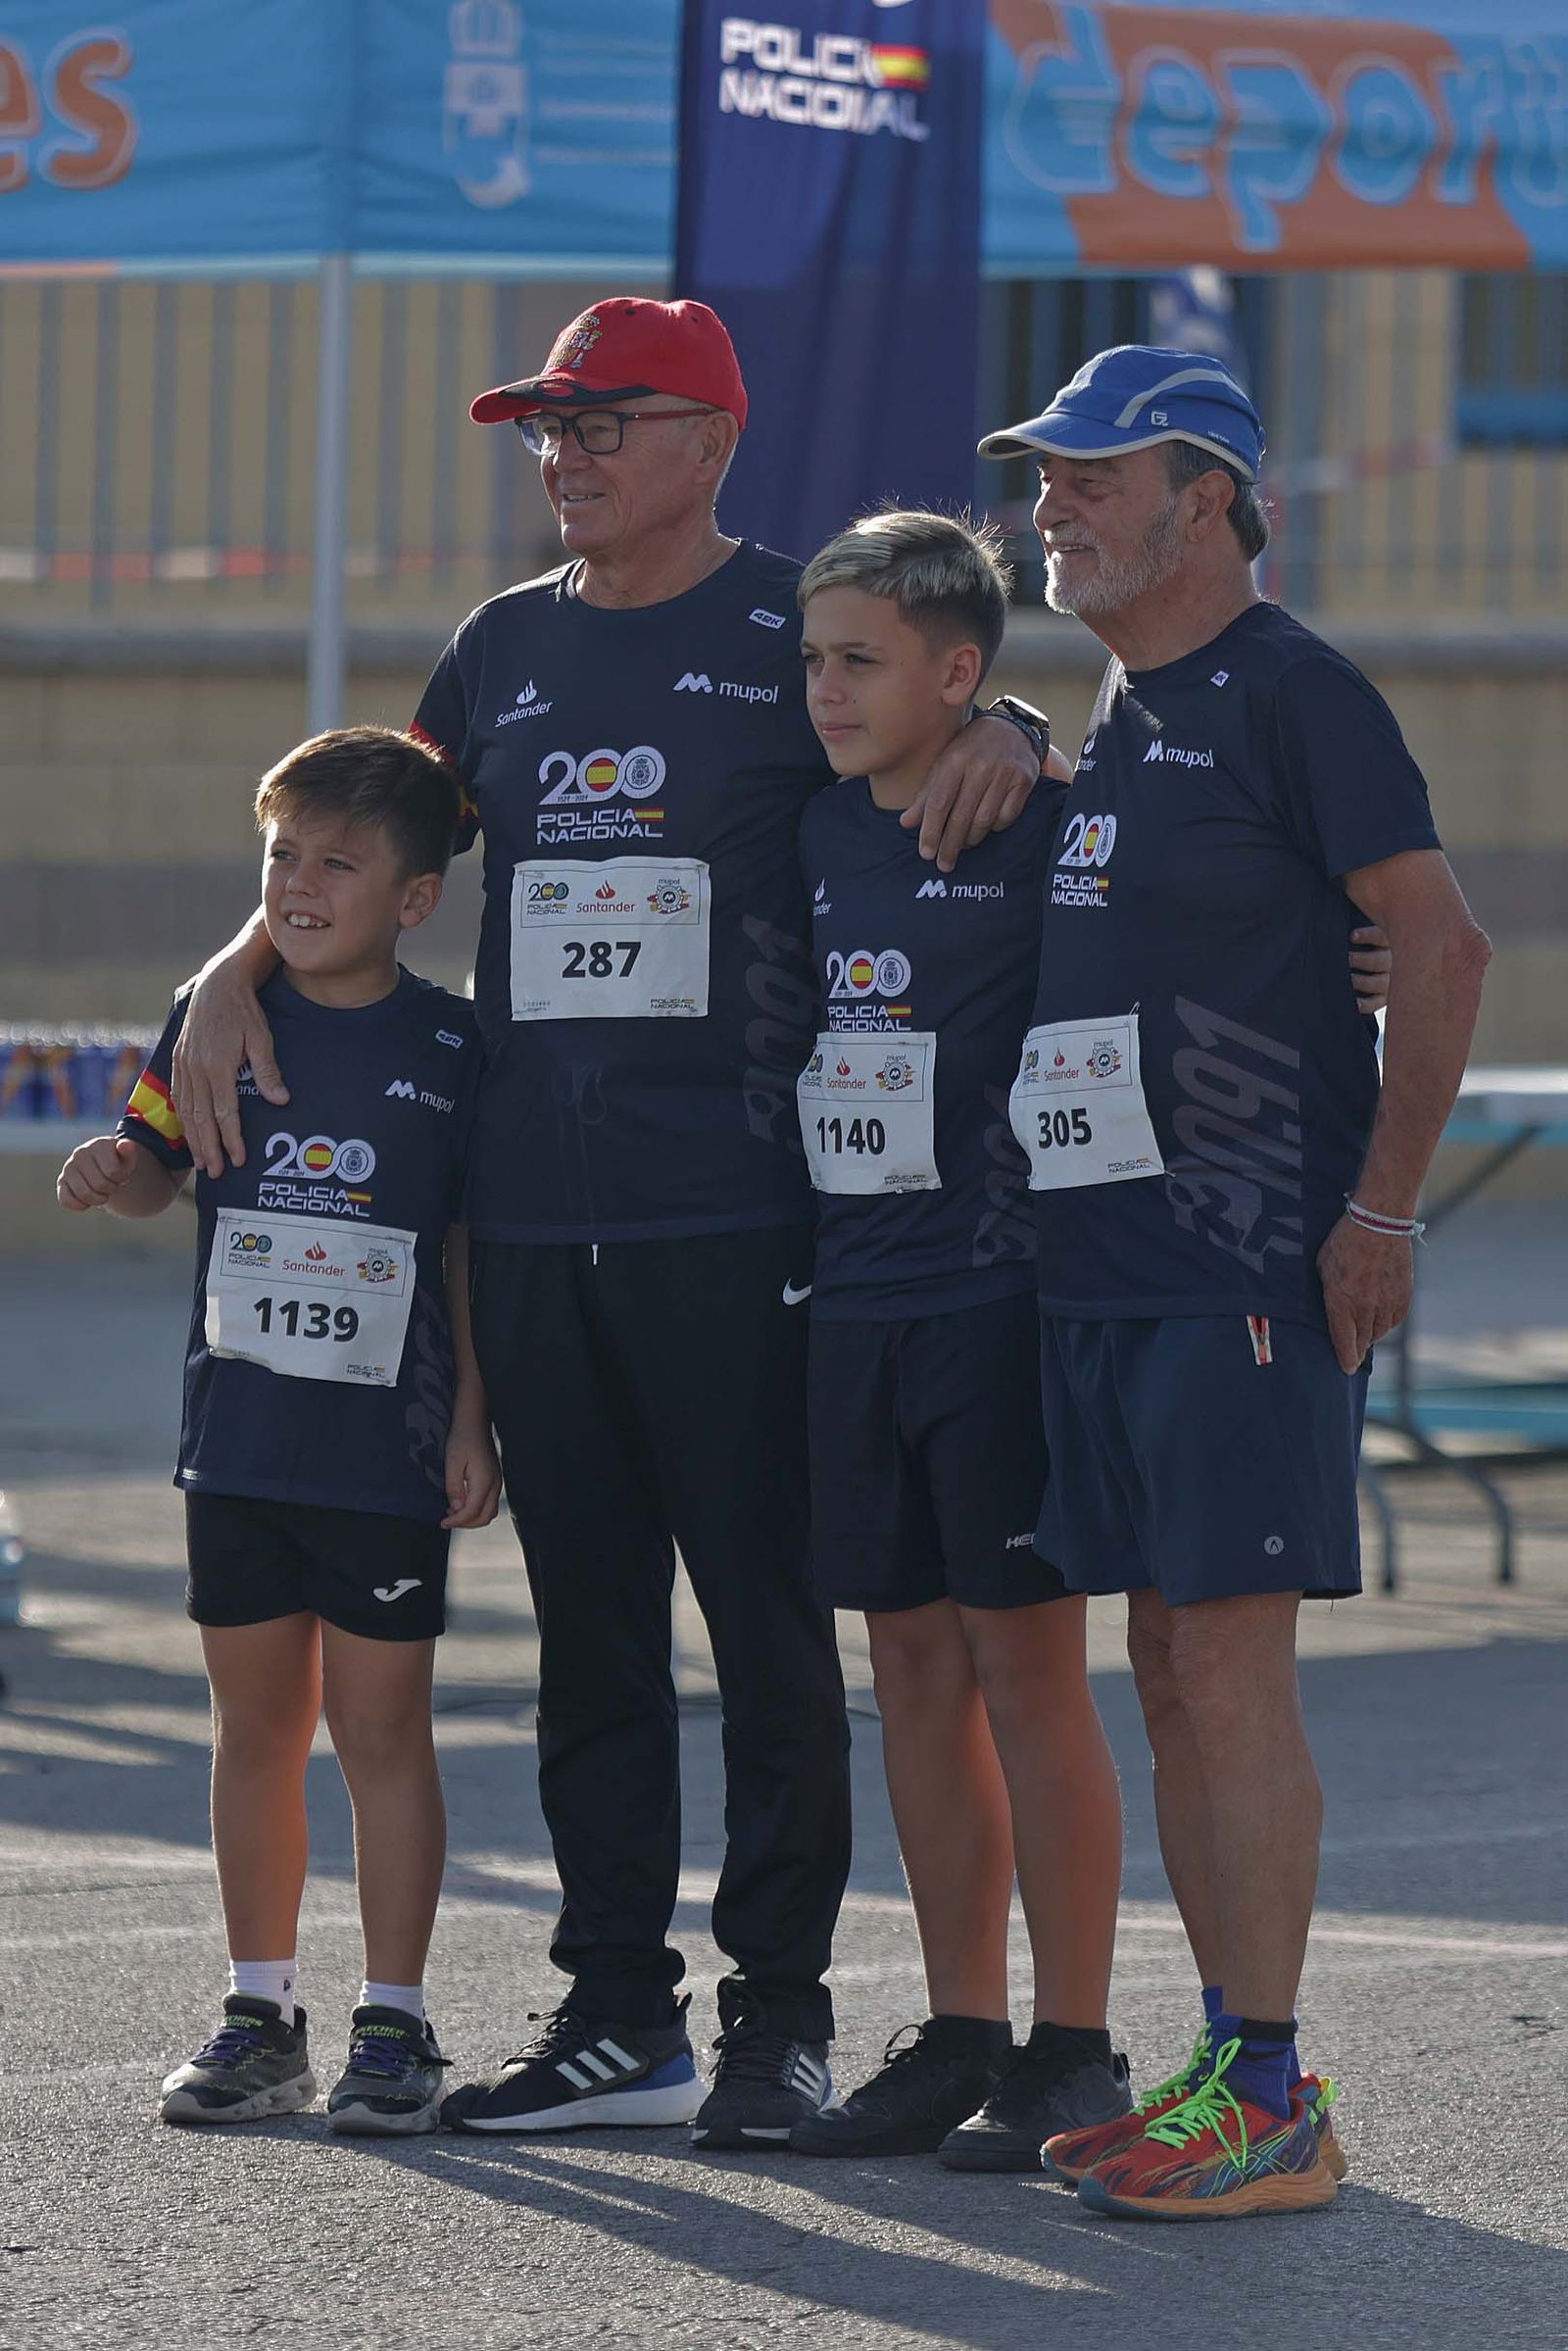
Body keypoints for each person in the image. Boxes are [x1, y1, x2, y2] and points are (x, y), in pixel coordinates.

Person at [166, 297, 1047, 2148]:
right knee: (590, 1635)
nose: (562, 456)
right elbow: (364, 827)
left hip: (739, 1213)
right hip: (538, 1215)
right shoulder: (500, 649)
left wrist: (1029, 725)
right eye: (544, 429)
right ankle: (616, 2014)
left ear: (710, 442)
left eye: (602, 423)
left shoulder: (795, 625)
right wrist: (238, 966)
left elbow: (934, 708)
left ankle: (780, 2018)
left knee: (768, 1629)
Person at [972, 346, 1490, 2218]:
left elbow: (1441, 948)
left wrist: (1386, 1209)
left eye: (1093, 476)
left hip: (1249, 1262)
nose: (1054, 506)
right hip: (1108, 1265)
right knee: (1169, 1664)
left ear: (1208, 499)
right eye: (1046, 474)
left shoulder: (1296, 689)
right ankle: (1221, 2059)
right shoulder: (1116, 705)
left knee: (1228, 1664)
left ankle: (1275, 2093)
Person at [57, 727, 500, 2136]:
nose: (301, 886)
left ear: (415, 897)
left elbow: (471, 1251)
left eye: (339, 863)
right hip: (238, 1440)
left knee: (383, 1733)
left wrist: (476, 1423)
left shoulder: (453, 1045)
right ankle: (260, 2011)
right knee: (255, 1728)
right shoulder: (214, 1022)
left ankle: (396, 2022)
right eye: (282, 857)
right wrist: (118, 1172)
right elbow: (150, 1171)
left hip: (384, 1453)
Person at [781, 511, 1129, 2169]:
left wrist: (1025, 741)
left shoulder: (1047, 818)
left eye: (860, 661)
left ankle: (1078, 2046)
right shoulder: (817, 835)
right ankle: (961, 2028)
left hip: (1002, 1302)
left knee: (1026, 1669)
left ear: (961, 672)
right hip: (858, 1302)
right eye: (813, 660)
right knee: (909, 1668)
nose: (826, 689)